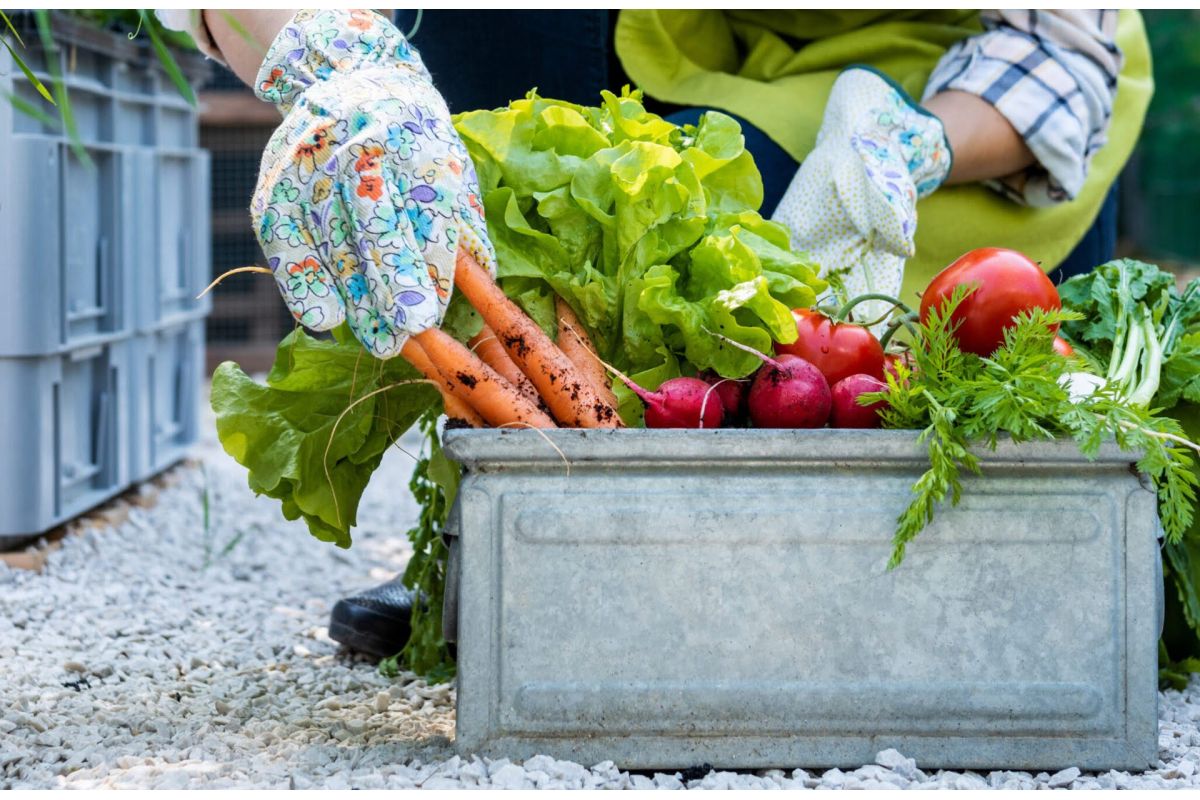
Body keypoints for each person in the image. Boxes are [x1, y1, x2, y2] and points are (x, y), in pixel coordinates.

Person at [163, 9, 1151, 658]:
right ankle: (525, 512)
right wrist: (341, 64)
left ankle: (881, 557)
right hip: (659, 52)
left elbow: (1059, 49)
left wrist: (919, 141)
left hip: (941, 89)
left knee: (836, 329)